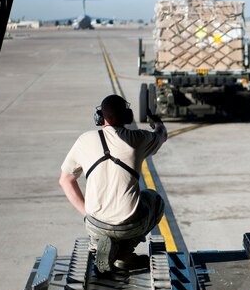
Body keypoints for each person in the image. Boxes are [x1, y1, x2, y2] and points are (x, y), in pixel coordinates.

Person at [59, 94, 168, 274]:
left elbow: (65, 180)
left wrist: (87, 214)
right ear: (127, 116)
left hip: (95, 224)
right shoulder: (137, 139)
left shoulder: (84, 140)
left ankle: (101, 242)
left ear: (100, 117)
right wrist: (157, 122)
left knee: (100, 224)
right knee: (155, 200)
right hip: (129, 227)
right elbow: (161, 135)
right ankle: (124, 253)